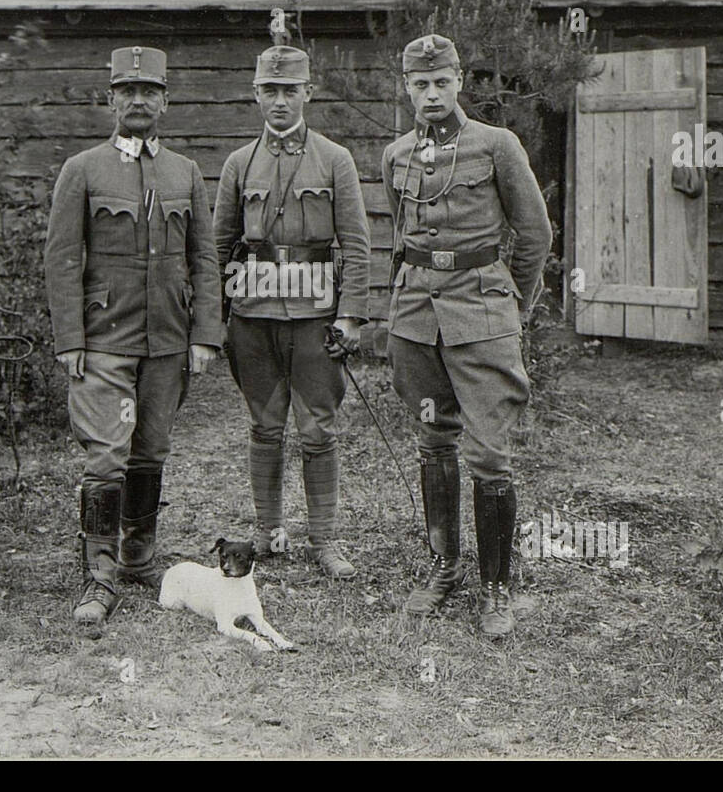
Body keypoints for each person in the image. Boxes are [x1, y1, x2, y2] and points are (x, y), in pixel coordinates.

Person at [45, 46, 222, 627]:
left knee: (151, 449)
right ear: (111, 99)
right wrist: (70, 337)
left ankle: (138, 555)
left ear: (166, 101)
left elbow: (204, 258)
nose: (139, 101)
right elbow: (63, 259)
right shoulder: (84, 170)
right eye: (128, 92)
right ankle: (100, 573)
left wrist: (204, 334)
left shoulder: (185, 172)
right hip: (103, 338)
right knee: (106, 455)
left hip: (167, 338)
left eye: (150, 92)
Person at [381, 33, 552, 637]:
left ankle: (496, 589)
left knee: (488, 452)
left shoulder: (496, 146)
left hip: (482, 315)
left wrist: (512, 307)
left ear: (459, 82)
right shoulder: (396, 155)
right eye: (419, 84)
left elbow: (535, 236)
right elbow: (402, 240)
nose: (431, 94)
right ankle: (444, 566)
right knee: (432, 439)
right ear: (407, 88)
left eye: (441, 82)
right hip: (416, 318)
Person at [213, 46, 371, 577]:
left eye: (290, 90)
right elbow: (219, 247)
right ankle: (267, 532)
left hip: (315, 318)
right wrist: (214, 320)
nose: (280, 102)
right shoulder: (239, 164)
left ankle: (323, 540)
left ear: (308, 92)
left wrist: (350, 315)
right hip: (253, 316)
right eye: (270, 91)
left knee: (318, 430)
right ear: (256, 94)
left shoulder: (334, 159)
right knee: (263, 427)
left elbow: (356, 242)